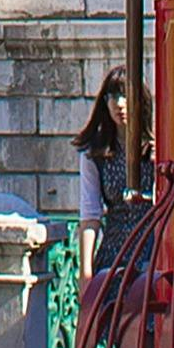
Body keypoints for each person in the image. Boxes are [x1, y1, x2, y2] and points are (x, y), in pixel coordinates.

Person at [72, 68, 128, 230]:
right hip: (116, 241)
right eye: (113, 97)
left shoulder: (156, 149)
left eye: (126, 95)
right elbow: (90, 214)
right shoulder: (96, 152)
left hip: (156, 241)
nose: (119, 104)